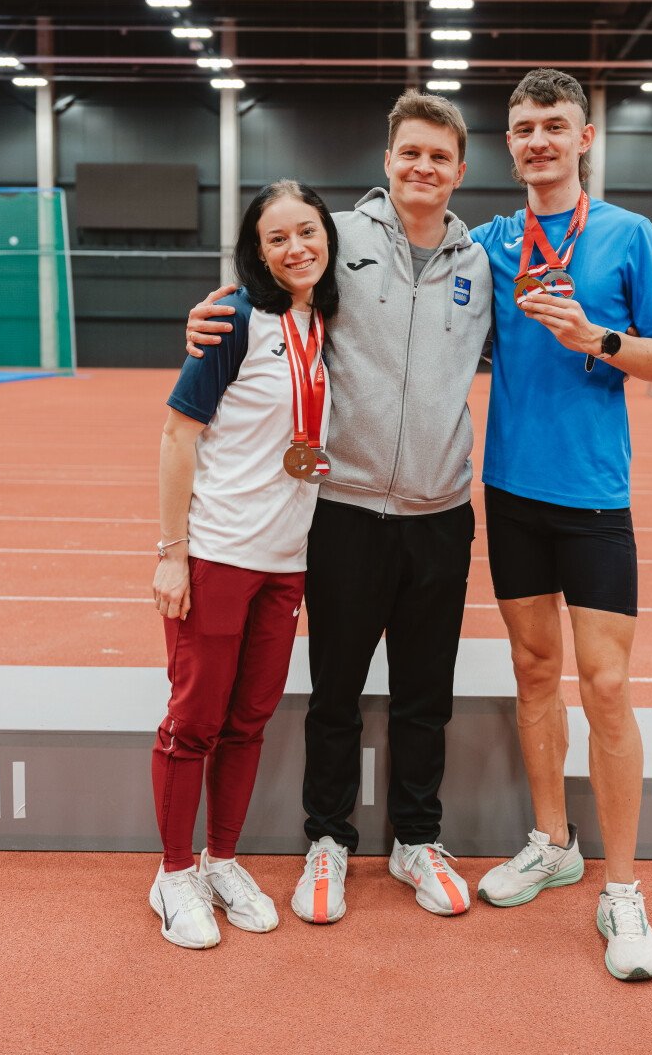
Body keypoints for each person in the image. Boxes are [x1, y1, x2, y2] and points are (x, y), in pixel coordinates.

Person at [184, 92, 492, 923]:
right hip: (345, 510)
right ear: (387, 161)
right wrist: (210, 317)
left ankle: (417, 839)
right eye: (410, 152)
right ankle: (327, 839)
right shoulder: (339, 238)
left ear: (461, 170)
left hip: (440, 513)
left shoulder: (482, 264)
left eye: (440, 156)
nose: (424, 166)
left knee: (426, 694)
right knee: (336, 693)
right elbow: (268, 275)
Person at [471, 68, 652, 981]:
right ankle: (553, 842)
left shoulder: (628, 235)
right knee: (533, 672)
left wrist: (597, 338)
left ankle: (623, 889)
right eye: (524, 127)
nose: (538, 141)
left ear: (584, 137)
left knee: (604, 686)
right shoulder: (488, 242)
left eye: (554, 126)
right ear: (510, 143)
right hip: (511, 492)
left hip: (596, 496)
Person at [149, 180, 339, 949]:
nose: (296, 248)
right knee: (193, 722)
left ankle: (221, 860)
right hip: (218, 555)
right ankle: (172, 875)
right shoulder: (232, 318)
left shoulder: (328, 320)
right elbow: (177, 435)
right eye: (277, 238)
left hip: (286, 563)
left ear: (329, 235)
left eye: (308, 231)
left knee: (248, 721)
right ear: (255, 252)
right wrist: (172, 555)